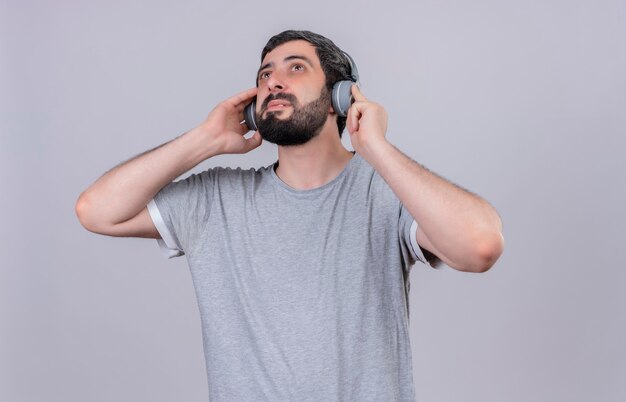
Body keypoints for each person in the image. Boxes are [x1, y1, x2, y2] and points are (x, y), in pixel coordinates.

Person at [76, 30, 504, 401]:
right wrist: (204, 140)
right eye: (264, 75)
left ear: (341, 95)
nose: (273, 82)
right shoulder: (217, 199)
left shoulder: (386, 191)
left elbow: (480, 246)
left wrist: (378, 149)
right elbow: (97, 211)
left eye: (295, 68)